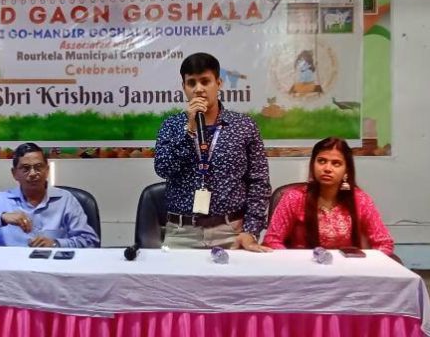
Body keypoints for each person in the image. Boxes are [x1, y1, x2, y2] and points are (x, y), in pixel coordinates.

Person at [154, 52, 271, 251]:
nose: (198, 89)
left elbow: (259, 181)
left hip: (231, 232)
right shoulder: (171, 125)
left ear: (219, 83)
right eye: (191, 83)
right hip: (181, 233)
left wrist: (251, 230)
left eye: (205, 81)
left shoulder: (244, 126)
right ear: (184, 87)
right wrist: (190, 131)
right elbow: (163, 169)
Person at [263, 137, 394, 255]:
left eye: (336, 163)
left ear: (346, 170)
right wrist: (295, 262)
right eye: (321, 161)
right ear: (313, 164)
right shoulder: (294, 198)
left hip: (347, 270)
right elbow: (272, 240)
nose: (327, 168)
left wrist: (365, 265)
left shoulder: (360, 199)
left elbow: (384, 243)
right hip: (303, 269)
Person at [0, 142, 100, 248]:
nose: (33, 173)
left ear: (47, 170)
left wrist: (56, 244)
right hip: (9, 273)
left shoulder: (65, 200)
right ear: (14, 174)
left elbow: (91, 241)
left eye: (38, 167)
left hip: (52, 272)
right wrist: (1, 218)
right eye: (25, 168)